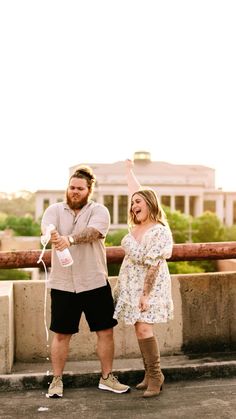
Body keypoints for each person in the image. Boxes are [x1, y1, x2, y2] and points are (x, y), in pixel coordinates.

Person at [41, 165, 130, 398]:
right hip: (62, 284)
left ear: (89, 190)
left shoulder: (99, 210)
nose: (75, 191)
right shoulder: (53, 210)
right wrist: (52, 235)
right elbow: (47, 228)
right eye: (71, 187)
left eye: (80, 188)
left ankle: (107, 378)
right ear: (67, 189)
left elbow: (94, 233)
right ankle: (57, 380)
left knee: (105, 332)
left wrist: (68, 239)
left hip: (94, 281)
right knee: (60, 335)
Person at [113, 160, 174, 398]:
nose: (133, 205)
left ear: (150, 204)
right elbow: (135, 191)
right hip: (132, 285)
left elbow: (150, 262)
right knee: (139, 329)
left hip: (150, 286)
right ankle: (149, 373)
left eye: (138, 202)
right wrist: (128, 172)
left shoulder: (159, 230)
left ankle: (156, 375)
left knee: (144, 328)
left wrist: (145, 295)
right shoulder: (137, 227)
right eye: (131, 203)